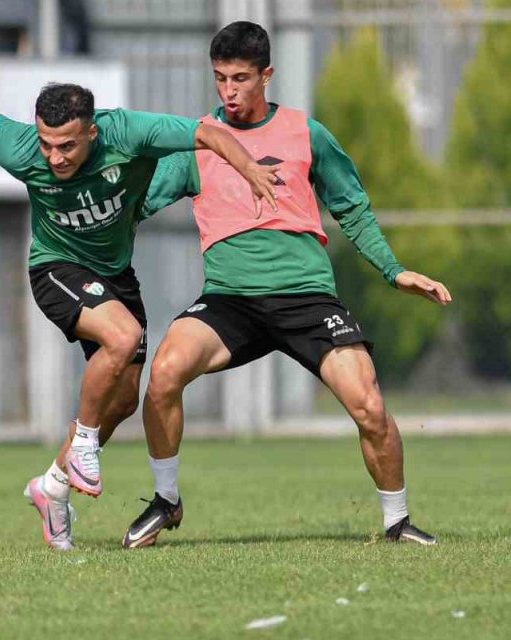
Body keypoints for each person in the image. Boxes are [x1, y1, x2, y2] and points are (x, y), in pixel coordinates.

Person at [0, 55, 280, 551]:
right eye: (47, 144)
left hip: (116, 277)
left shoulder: (128, 133)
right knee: (123, 336)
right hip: (56, 268)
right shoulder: (20, 150)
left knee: (125, 399)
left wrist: (249, 169)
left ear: (92, 132)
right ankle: (85, 444)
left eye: (67, 145)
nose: (55, 158)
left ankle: (52, 488)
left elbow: (209, 134)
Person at [121, 22, 451, 549]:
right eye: (220, 78)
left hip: (307, 300)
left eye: (240, 79)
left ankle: (398, 521)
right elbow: (134, 209)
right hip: (229, 302)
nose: (229, 91)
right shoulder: (198, 143)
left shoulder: (306, 133)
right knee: (163, 374)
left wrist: (394, 271)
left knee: (369, 406)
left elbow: (352, 208)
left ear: (266, 75)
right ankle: (166, 500)